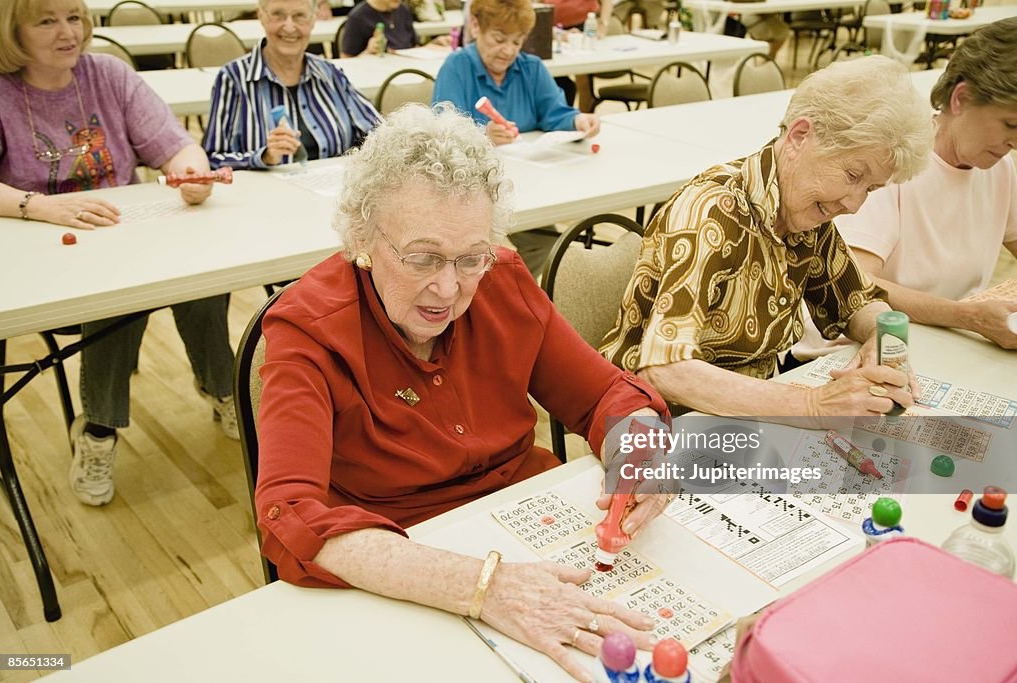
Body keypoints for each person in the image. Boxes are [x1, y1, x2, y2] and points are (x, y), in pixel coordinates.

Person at [255, 103, 669, 683]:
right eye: (422, 257)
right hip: (403, 564)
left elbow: (606, 395)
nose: (447, 288)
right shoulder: (309, 328)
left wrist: (641, 450)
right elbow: (288, 515)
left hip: (529, 528)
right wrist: (483, 586)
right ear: (363, 239)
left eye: (469, 258)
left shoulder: (500, 278)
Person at [0, 0, 235, 506]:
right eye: (46, 20)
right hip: (44, 251)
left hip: (121, 239)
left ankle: (222, 388)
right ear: (10, 29)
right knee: (117, 299)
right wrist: (40, 207)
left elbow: (175, 144)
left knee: (203, 274)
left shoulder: (108, 75)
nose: (68, 32)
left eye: (74, 17)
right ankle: (100, 428)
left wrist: (191, 171)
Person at [600, 56, 934, 417]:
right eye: (854, 175)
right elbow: (665, 368)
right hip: (658, 418)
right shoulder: (712, 211)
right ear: (799, 136)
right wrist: (813, 405)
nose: (854, 205)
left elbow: (857, 301)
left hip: (747, 412)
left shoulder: (806, 210)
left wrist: (877, 339)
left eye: (870, 188)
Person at [789, 18, 1017, 364]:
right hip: (845, 353)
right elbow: (857, 284)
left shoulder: (999, 167)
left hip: (941, 343)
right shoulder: (889, 162)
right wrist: (968, 316)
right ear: (961, 98)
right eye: (1010, 124)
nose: (1015, 141)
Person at [203, 0, 381, 169]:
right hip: (265, 197)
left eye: (299, 16)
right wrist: (262, 157)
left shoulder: (330, 74)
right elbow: (212, 159)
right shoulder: (234, 78)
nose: (289, 27)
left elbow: (380, 134)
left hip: (332, 194)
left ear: (313, 19)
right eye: (278, 15)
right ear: (261, 16)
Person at [431, 0, 600, 146]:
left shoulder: (532, 68)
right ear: (475, 26)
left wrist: (578, 121)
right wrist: (481, 136)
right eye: (499, 39)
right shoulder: (456, 68)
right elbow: (443, 132)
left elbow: (556, 113)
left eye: (517, 42)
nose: (509, 51)